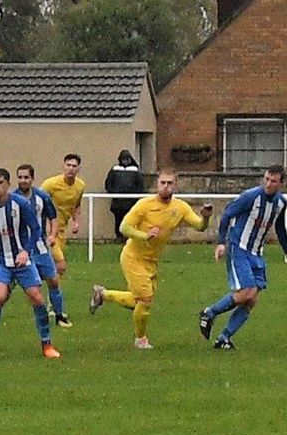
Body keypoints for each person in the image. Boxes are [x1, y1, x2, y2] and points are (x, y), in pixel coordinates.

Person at [89, 169, 214, 349]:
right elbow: (124, 227)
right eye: (162, 183)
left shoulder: (180, 208)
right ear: (157, 184)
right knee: (145, 300)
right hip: (133, 257)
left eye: (170, 183)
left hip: (151, 260)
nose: (166, 186)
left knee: (139, 301)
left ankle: (103, 294)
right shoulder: (144, 204)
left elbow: (200, 227)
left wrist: (205, 217)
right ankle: (140, 339)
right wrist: (144, 235)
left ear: (175, 185)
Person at [198, 165, 287, 350]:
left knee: (251, 299)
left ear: (281, 183)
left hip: (256, 253)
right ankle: (209, 312)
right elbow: (228, 213)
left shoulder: (281, 203)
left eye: (273, 181)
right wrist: (221, 242)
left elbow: (279, 228)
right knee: (247, 292)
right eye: (267, 179)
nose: (268, 184)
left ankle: (224, 338)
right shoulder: (251, 196)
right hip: (239, 249)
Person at [0, 168, 61, 359]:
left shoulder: (20, 204)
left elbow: (36, 229)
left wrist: (25, 251)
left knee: (37, 298)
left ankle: (47, 344)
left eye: (0, 183)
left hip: (22, 259)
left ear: (7, 185)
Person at [13, 164, 73, 328]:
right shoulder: (11, 198)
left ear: (32, 178)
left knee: (53, 280)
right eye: (20, 177)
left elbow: (53, 217)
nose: (23, 180)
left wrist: (53, 235)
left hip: (40, 247)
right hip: (19, 249)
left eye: (26, 177)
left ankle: (60, 316)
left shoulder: (42, 197)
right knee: (7, 285)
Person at [40, 153, 85, 319]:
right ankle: (53, 305)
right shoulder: (50, 185)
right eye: (68, 165)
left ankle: (48, 302)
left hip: (61, 232)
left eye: (74, 166)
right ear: (63, 166)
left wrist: (76, 222)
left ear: (78, 168)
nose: (71, 169)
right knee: (60, 265)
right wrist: (45, 228)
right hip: (47, 232)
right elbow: (37, 204)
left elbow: (76, 205)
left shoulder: (80, 186)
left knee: (53, 269)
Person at [105, 149, 144, 242]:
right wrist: (114, 193)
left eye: (127, 159)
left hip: (131, 202)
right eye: (123, 159)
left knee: (130, 220)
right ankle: (119, 236)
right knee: (118, 220)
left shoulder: (136, 171)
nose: (125, 161)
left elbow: (140, 186)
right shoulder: (115, 170)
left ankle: (128, 236)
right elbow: (108, 184)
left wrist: (135, 196)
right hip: (118, 202)